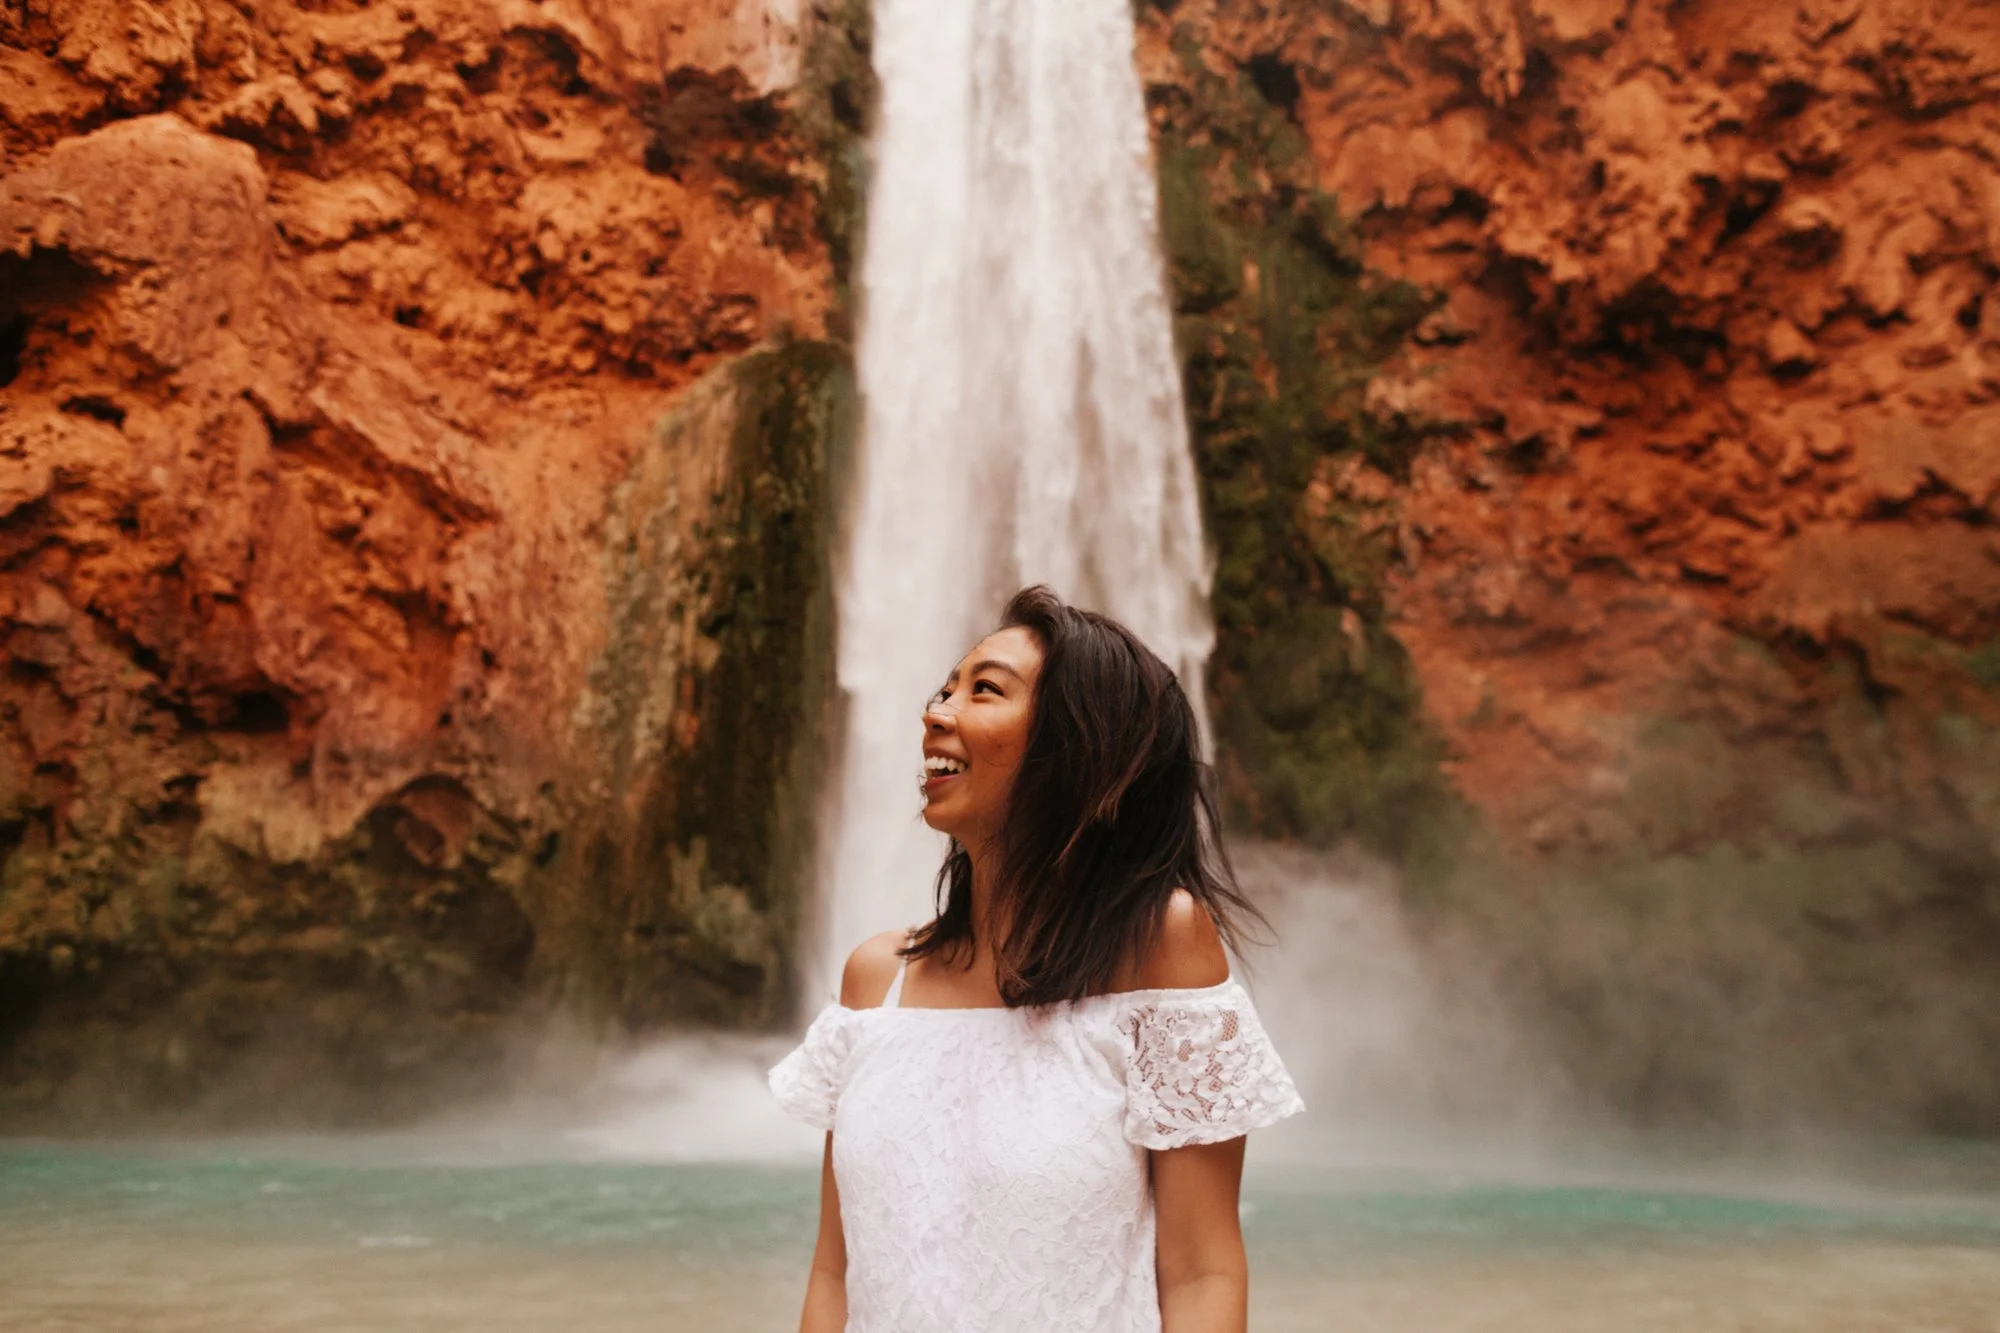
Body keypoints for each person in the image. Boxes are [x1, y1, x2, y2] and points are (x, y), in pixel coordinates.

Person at [770, 585, 1302, 1333]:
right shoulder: (875, 979)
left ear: (1080, 745)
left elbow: (1202, 1272)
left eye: (984, 689)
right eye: (944, 687)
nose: (936, 711)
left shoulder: (1162, 948)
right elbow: (835, 1271)